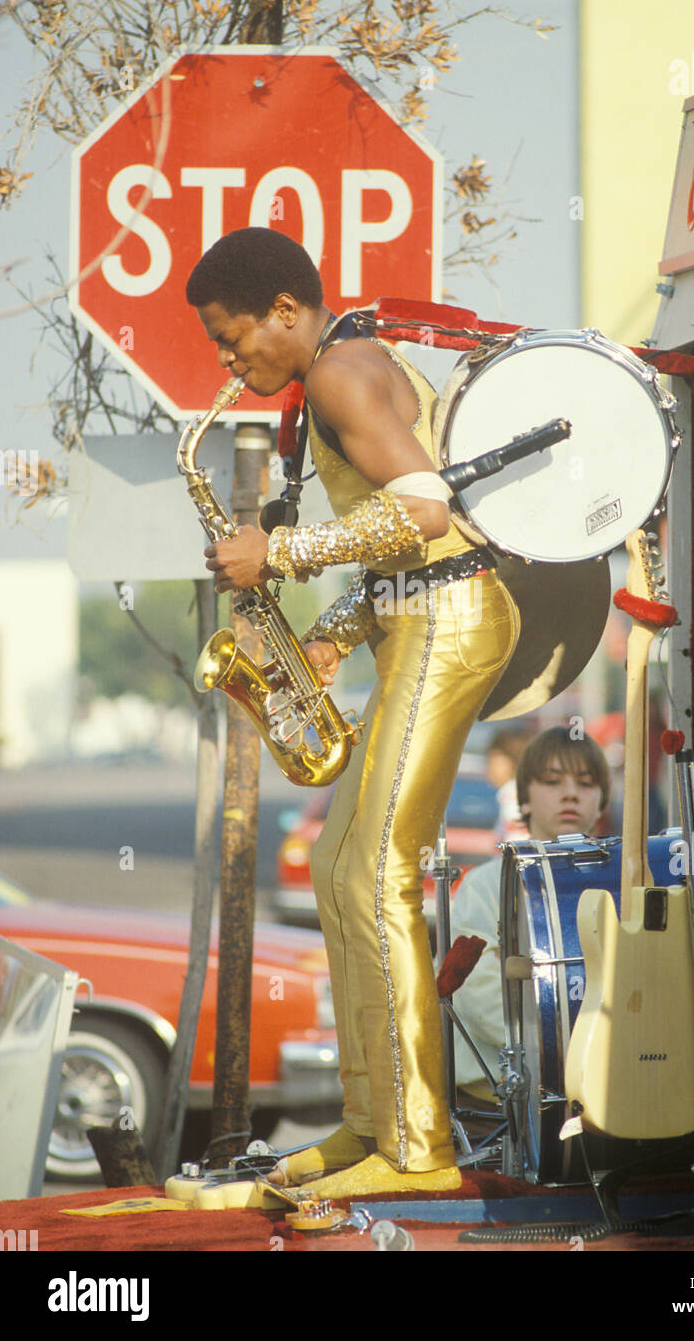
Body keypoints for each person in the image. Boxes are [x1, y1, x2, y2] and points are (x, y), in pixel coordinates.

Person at [186, 228, 520, 1197]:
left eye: (230, 336)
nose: (226, 360)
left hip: (449, 619)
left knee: (377, 874)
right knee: (339, 868)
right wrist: (332, 634)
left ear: (286, 310)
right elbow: (406, 548)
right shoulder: (343, 365)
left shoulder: (338, 372)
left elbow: (424, 513)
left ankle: (417, 1148)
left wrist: (279, 554)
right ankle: (370, 1122)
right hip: (417, 615)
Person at [450, 727, 610, 1103]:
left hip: (605, 1083)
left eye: (586, 783)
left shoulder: (622, 883)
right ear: (523, 799)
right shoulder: (485, 885)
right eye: (552, 782)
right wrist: (557, 1047)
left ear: (602, 802)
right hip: (499, 1094)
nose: (570, 793)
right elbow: (477, 991)